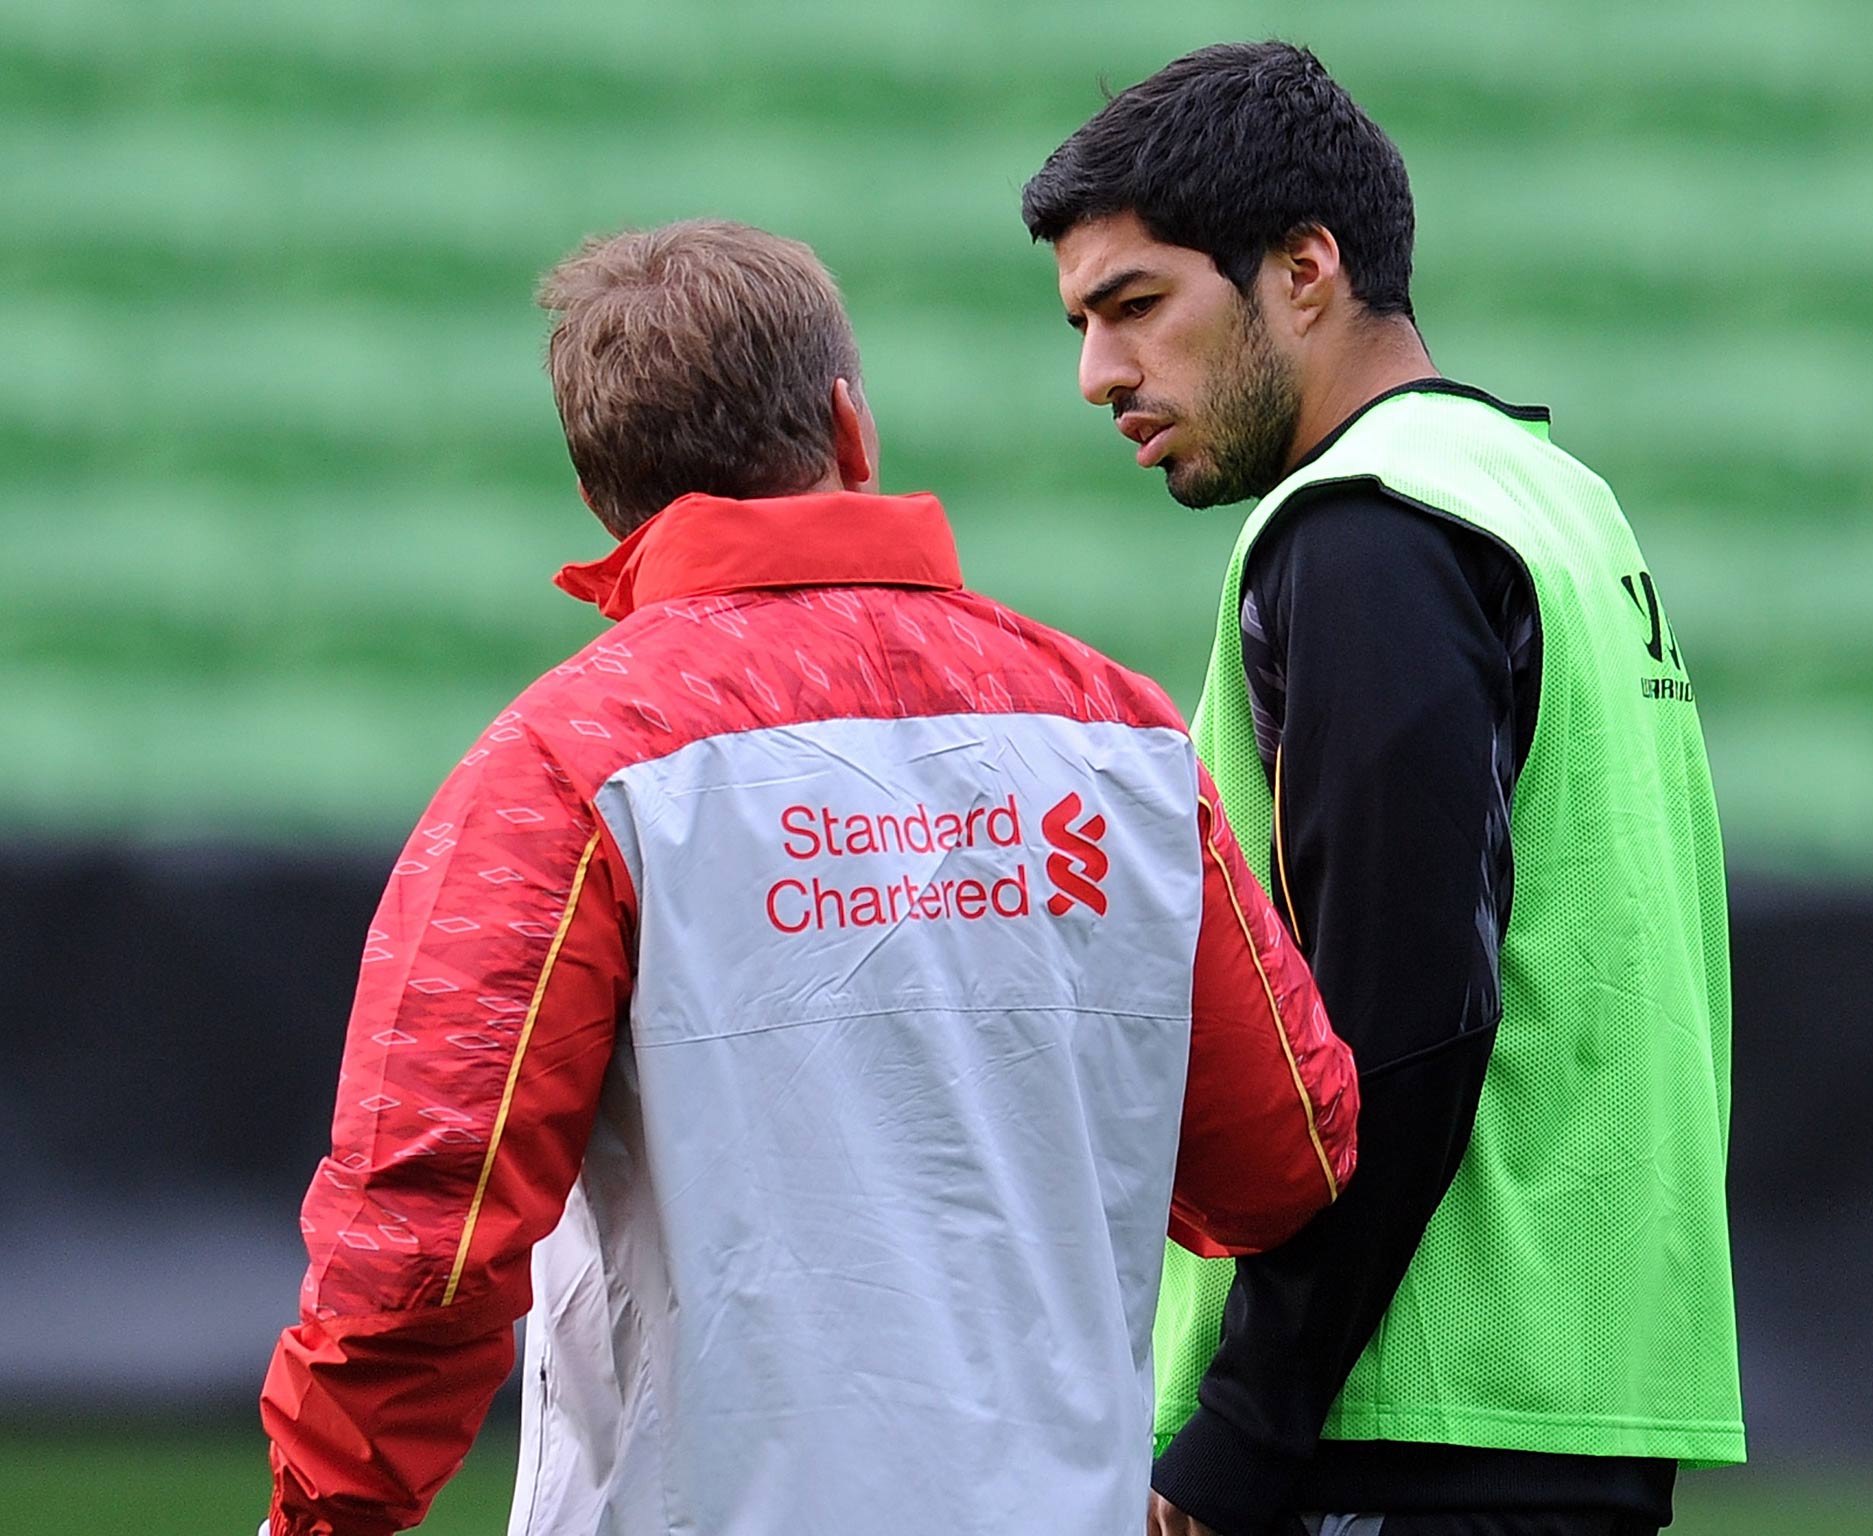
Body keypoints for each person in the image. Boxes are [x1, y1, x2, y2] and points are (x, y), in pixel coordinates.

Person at [256, 218, 1361, 1536]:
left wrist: (319, 1516)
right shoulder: (1120, 737)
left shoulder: (563, 769)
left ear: (603, 493)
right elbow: (1285, 1158)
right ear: (852, 428)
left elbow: (423, 1245)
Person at [1022, 41, 1743, 1536]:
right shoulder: (1552, 497)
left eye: (1136, 306)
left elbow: (1403, 1015)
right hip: (1559, 1398)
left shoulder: (1368, 531)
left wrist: (1247, 1424)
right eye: (1084, 322)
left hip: (1402, 1424)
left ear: (1304, 269)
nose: (1098, 373)